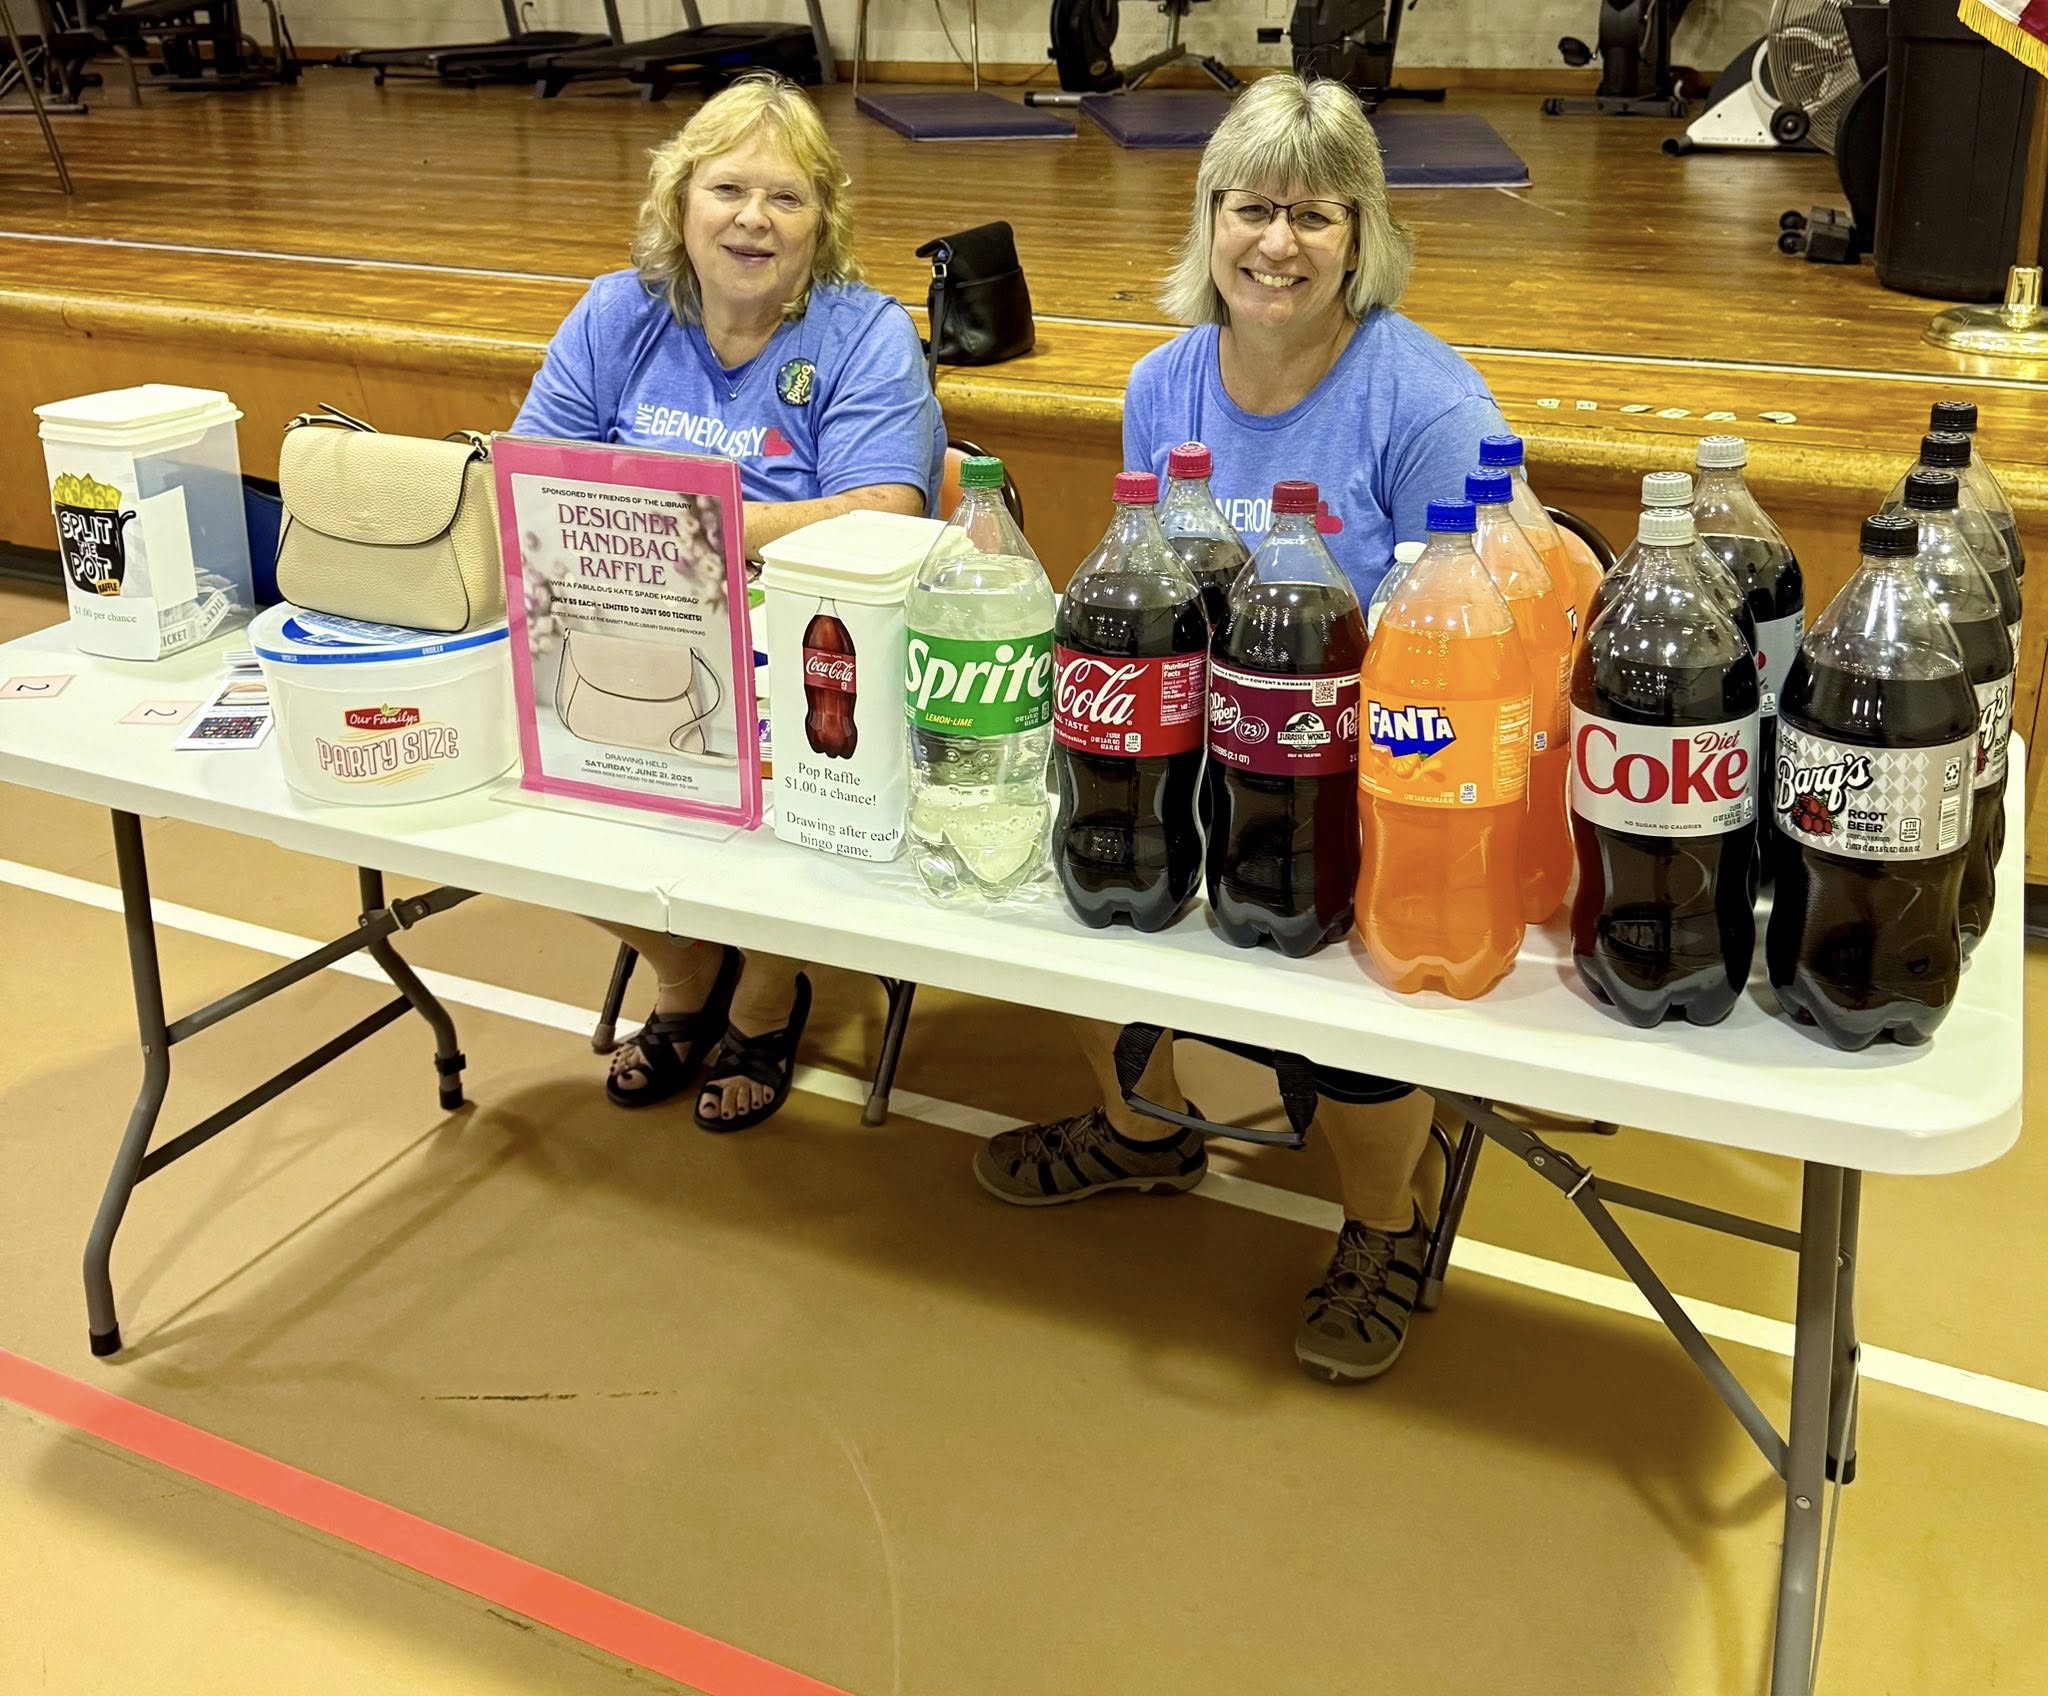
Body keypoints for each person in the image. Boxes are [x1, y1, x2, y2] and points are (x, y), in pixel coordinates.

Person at [973, 74, 1511, 1387]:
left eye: (1313, 216)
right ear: (1209, 220)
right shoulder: (1163, 383)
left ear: (1360, 236)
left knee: (1344, 1006)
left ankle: (1384, 1223)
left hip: (1369, 778)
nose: (1276, 243)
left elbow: (1493, 625)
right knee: (1086, 873)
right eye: (1251, 209)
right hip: (1199, 753)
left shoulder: (1426, 404)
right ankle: (1142, 1131)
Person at [514, 72, 945, 1133]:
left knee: (814, 744)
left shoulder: (861, 332)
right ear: (679, 202)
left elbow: (886, 507)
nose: (754, 219)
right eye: (728, 190)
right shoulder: (617, 312)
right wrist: (673, 542)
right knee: (518, 787)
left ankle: (764, 992)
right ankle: (684, 968)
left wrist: (690, 530)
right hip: (624, 630)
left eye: (786, 197)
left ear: (821, 222)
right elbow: (533, 473)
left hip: (802, 643)